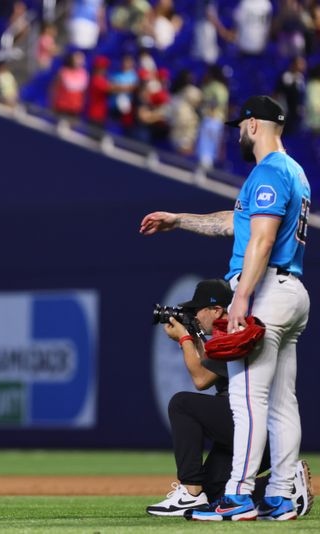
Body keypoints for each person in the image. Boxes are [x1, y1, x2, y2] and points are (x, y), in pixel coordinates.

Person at [140, 95, 311, 521]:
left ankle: (237, 496)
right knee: (281, 401)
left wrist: (241, 297)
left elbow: (262, 239)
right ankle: (281, 495)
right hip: (291, 289)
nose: (238, 131)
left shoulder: (269, 171)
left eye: (241, 125)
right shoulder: (295, 172)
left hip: (267, 286)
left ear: (253, 125)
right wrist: (179, 219)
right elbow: (235, 222)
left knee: (246, 397)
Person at [146, 280, 314, 518]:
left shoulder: (237, 332)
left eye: (198, 310)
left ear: (216, 310)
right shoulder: (234, 332)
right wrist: (193, 337)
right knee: (215, 492)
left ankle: (190, 493)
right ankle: (285, 488)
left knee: (182, 404)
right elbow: (209, 365)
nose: (195, 316)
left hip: (253, 426)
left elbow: (202, 379)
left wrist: (184, 340)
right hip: (261, 432)